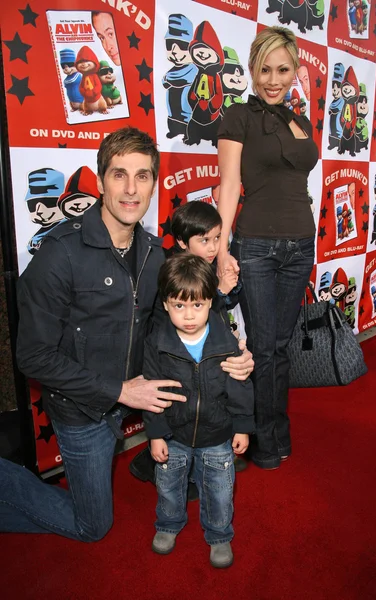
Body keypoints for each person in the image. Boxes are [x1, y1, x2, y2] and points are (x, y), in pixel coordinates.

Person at [0, 127, 253, 542]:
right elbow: (32, 356)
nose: (131, 189)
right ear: (100, 182)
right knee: (93, 527)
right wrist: (119, 391)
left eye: (143, 175)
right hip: (81, 410)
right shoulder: (59, 253)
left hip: (131, 405)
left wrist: (233, 354)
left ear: (154, 183)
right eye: (119, 175)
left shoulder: (155, 253)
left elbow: (173, 324)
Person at [216, 27, 318, 470]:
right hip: (255, 243)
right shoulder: (238, 116)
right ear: (253, 70)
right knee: (260, 344)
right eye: (265, 70)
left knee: (280, 345)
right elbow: (228, 185)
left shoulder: (301, 121)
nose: (273, 79)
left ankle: (272, 438)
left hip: (301, 244)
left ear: (296, 72)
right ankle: (255, 436)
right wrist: (222, 249)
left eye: (283, 69)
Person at [143, 254, 254, 568]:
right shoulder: (157, 343)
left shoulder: (226, 342)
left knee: (220, 491)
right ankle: (168, 524)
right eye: (179, 306)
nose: (189, 315)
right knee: (168, 486)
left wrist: (242, 425)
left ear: (210, 302)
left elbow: (240, 386)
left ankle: (219, 535)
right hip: (173, 434)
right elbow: (153, 391)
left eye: (197, 305)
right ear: (166, 304)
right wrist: (155, 434)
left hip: (217, 435)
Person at [129, 202, 249, 486]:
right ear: (183, 242)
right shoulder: (173, 269)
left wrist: (225, 292)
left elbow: (210, 311)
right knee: (177, 413)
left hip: (197, 353)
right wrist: (220, 291)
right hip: (170, 357)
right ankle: (154, 463)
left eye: (218, 238)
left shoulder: (205, 264)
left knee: (205, 404)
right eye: (204, 240)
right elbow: (186, 316)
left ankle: (209, 459)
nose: (212, 247)